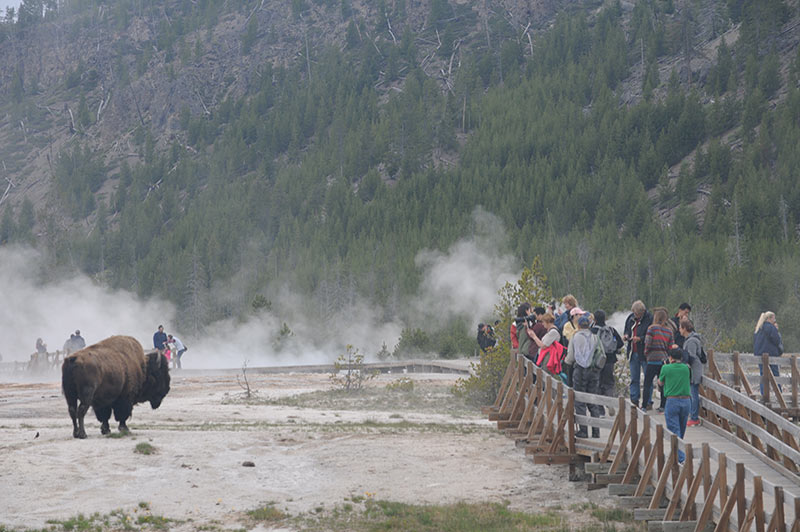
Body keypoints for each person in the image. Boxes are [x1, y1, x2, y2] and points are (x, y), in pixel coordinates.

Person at [565, 315, 603, 438]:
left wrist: (566, 364)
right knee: (592, 400)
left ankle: (583, 431)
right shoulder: (595, 337)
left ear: (579, 326)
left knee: (580, 401)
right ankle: (596, 431)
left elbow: (570, 357)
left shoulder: (575, 337)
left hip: (580, 371)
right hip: (594, 371)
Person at [659, 348, 692, 462]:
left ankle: (681, 459)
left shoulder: (666, 368)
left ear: (670, 358)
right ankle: (678, 454)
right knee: (681, 430)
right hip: (686, 401)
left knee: (674, 430)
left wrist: (666, 366)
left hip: (672, 401)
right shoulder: (686, 368)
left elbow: (660, 382)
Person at [642, 308, 674, 412]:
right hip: (663, 361)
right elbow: (671, 348)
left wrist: (646, 353)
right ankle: (662, 406)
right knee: (663, 384)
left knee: (647, 384)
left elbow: (647, 343)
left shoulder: (652, 328)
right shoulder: (669, 331)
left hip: (652, 360)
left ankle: (644, 406)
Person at [623, 300, 653, 408]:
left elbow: (651, 336)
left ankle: (648, 402)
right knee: (634, 378)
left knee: (647, 379)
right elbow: (627, 329)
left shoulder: (650, 319)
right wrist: (626, 335)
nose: (635, 316)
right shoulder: (630, 318)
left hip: (645, 353)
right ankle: (634, 400)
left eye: (637, 314)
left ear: (643, 311)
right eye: (635, 314)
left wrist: (640, 339)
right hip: (633, 352)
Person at [591, 310, 623, 402]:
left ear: (594, 319)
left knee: (598, 382)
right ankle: (610, 402)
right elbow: (620, 343)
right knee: (609, 383)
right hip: (610, 360)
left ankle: (600, 409)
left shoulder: (592, 331)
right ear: (605, 319)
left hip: (597, 361)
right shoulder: (611, 330)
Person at [754, 311, 783, 395]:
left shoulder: (758, 328)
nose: (775, 320)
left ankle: (764, 395)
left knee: (763, 375)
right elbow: (777, 340)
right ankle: (779, 394)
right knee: (775, 375)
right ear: (769, 318)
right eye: (774, 318)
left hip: (760, 355)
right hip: (771, 355)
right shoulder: (771, 328)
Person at [681, 319, 704, 426]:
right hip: (693, 370)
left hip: (694, 371)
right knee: (692, 394)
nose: (679, 330)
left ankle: (694, 417)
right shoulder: (691, 339)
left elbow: (692, 356)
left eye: (680, 328)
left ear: (685, 329)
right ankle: (692, 416)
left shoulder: (691, 341)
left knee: (693, 395)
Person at [530, 312, 565, 379]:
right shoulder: (550, 331)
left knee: (546, 376)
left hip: (549, 357)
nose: (542, 324)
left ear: (548, 322)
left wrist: (534, 336)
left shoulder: (553, 332)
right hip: (546, 356)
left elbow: (543, 345)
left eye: (543, 322)